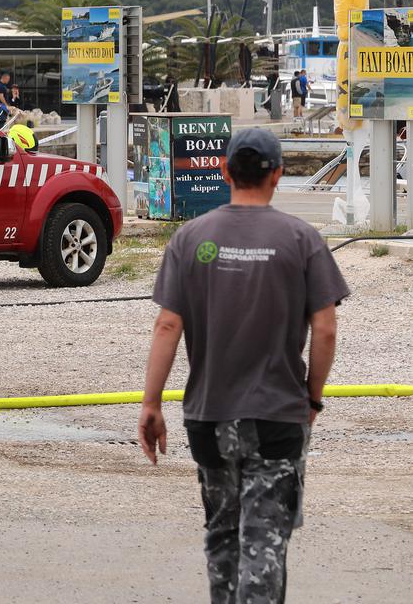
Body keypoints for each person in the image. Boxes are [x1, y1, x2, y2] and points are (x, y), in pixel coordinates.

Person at [137, 128, 348, 603]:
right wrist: (312, 397)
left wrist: (151, 403)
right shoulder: (302, 239)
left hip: (209, 418)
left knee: (222, 536)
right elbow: (327, 328)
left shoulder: (190, 237)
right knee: (264, 543)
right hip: (278, 417)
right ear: (277, 174)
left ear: (224, 171)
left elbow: (167, 327)